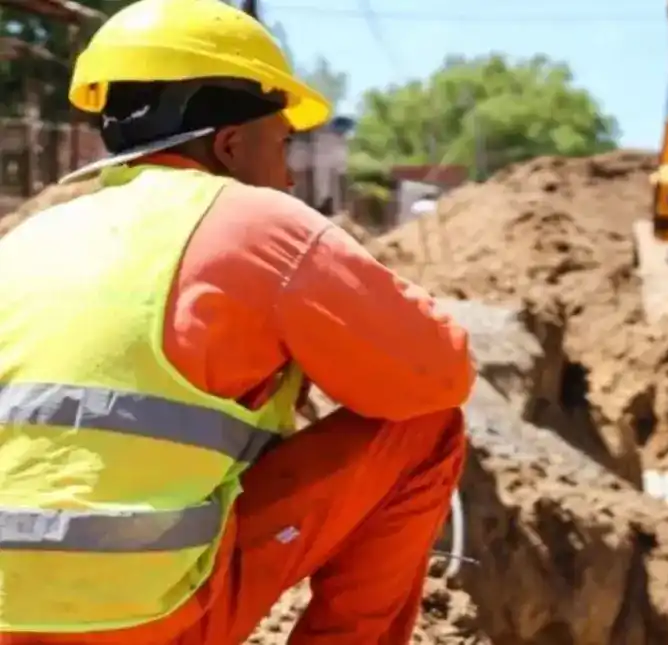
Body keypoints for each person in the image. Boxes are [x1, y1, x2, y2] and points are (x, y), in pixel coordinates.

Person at [0, 0, 475, 642]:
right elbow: (436, 375)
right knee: (426, 427)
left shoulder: (30, 236)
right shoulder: (257, 224)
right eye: (281, 143)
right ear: (229, 144)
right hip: (143, 624)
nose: (286, 172)